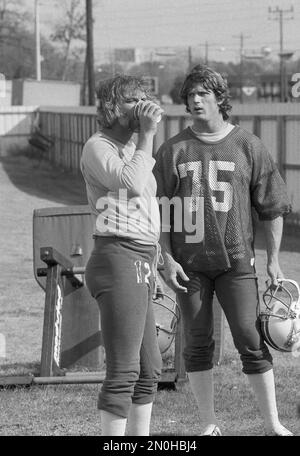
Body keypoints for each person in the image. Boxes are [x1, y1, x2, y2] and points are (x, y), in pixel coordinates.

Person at [154, 65, 293, 436]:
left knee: (250, 338)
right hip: (189, 265)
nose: (195, 100)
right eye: (190, 95)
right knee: (197, 344)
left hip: (235, 261)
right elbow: (160, 213)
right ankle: (208, 424)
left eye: (203, 93)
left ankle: (271, 423)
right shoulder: (173, 149)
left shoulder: (248, 145)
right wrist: (165, 259)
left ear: (220, 98)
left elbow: (273, 205)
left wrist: (274, 259)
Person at [80, 74, 163, 436]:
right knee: (125, 370)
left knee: (149, 369)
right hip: (117, 256)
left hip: (141, 258)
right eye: (135, 100)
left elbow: (146, 209)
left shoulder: (133, 149)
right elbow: (128, 186)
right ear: (113, 107)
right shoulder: (98, 146)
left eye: (146, 98)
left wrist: (160, 261)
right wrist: (146, 135)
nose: (143, 106)